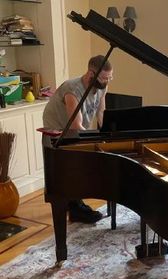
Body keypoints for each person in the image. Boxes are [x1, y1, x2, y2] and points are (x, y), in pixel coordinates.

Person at [43, 55, 113, 223]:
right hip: (56, 135)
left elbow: (101, 112)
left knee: (76, 172)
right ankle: (74, 208)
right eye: (104, 78)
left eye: (110, 77)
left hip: (74, 133)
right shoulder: (72, 89)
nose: (107, 81)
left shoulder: (102, 86)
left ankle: (75, 207)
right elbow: (76, 124)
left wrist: (107, 134)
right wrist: (93, 141)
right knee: (63, 176)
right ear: (91, 74)